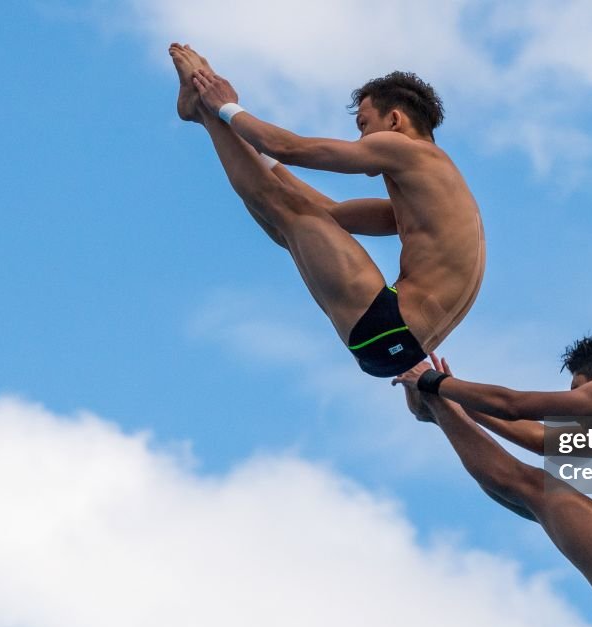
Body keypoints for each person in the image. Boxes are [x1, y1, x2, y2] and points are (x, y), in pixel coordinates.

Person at [169, 44, 485, 377]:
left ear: (394, 120)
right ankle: (202, 113)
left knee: (283, 211)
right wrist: (233, 127)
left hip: (391, 324)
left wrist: (226, 107)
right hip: (391, 344)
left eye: (364, 124)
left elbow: (289, 148)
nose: (361, 137)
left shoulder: (410, 150)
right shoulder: (431, 200)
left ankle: (203, 110)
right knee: (289, 223)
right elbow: (328, 213)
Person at [393, 333, 592, 627]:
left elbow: (514, 406)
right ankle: (440, 412)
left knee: (533, 486)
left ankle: (437, 410)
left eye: (577, 392)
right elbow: (542, 441)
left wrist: (434, 381)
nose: (574, 407)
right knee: (531, 500)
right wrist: (459, 400)